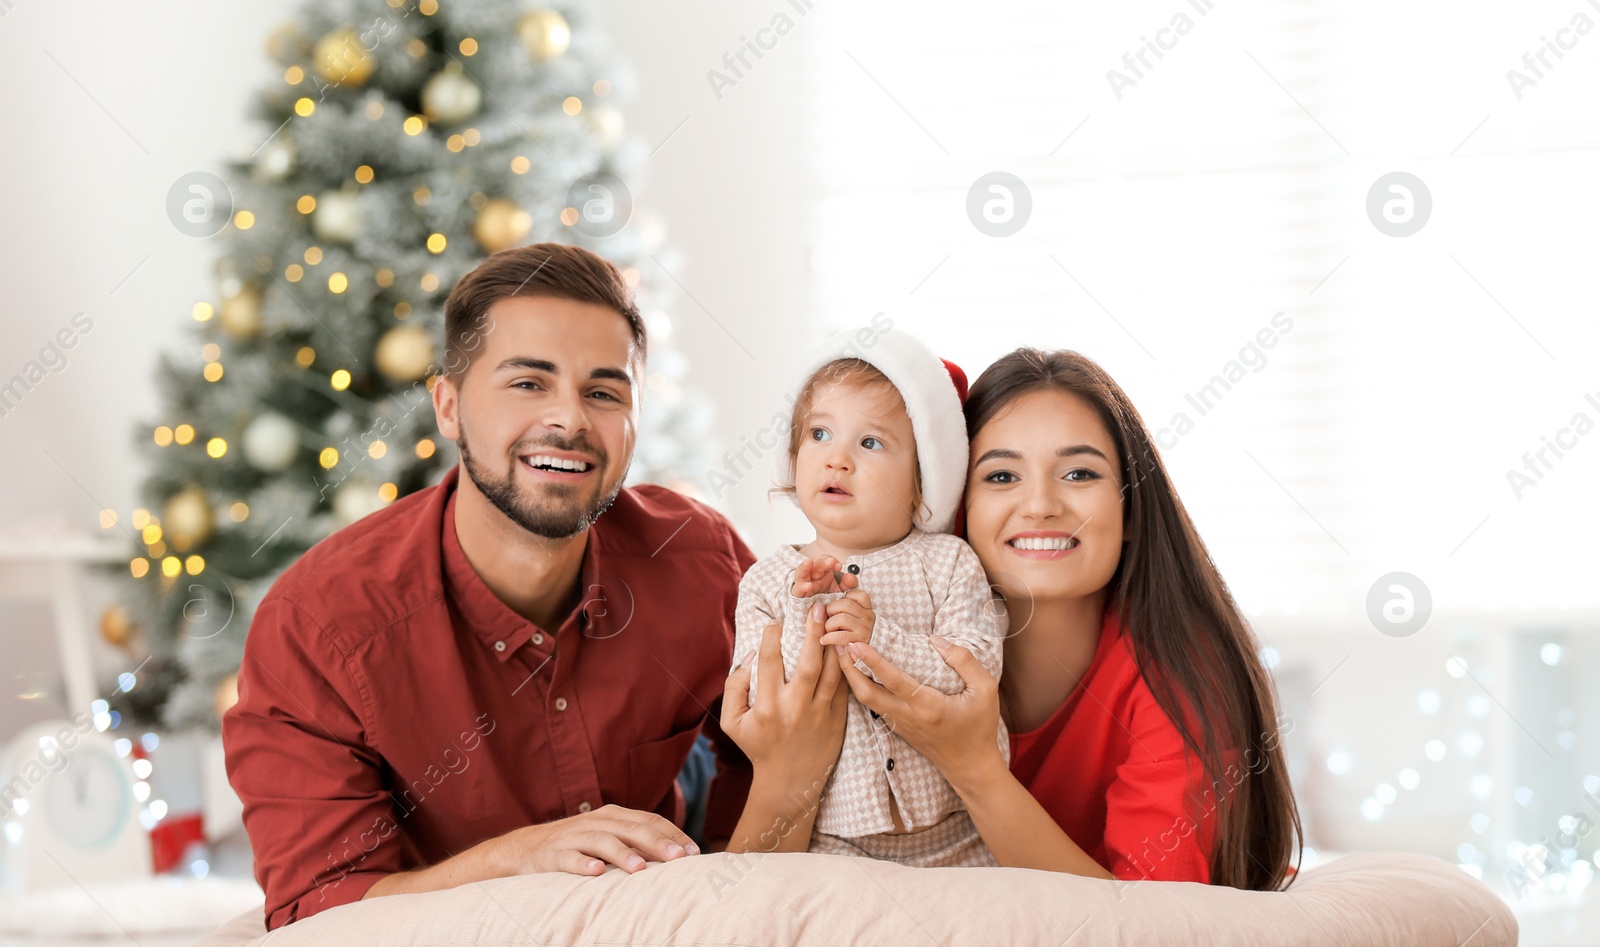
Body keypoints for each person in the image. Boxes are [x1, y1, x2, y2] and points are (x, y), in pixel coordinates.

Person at [223, 243, 754, 929]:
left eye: (603, 391)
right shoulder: (320, 626)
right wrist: (522, 857)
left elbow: (771, 777)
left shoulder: (700, 561)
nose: (569, 420)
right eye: (528, 383)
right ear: (448, 406)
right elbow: (316, 910)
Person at [721, 347, 1301, 889]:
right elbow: (755, 909)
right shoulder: (853, 640)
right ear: (955, 503)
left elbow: (1156, 925)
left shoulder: (1180, 676)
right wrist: (785, 775)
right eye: (1001, 476)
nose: (1041, 504)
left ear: (1130, 508)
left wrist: (972, 764)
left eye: (1080, 474)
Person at [734, 328, 1006, 866]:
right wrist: (805, 615)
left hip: (963, 831)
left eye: (870, 442)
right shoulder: (767, 583)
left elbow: (976, 668)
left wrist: (877, 638)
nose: (837, 460)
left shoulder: (948, 562)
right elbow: (763, 703)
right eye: (818, 435)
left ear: (921, 481)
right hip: (833, 842)